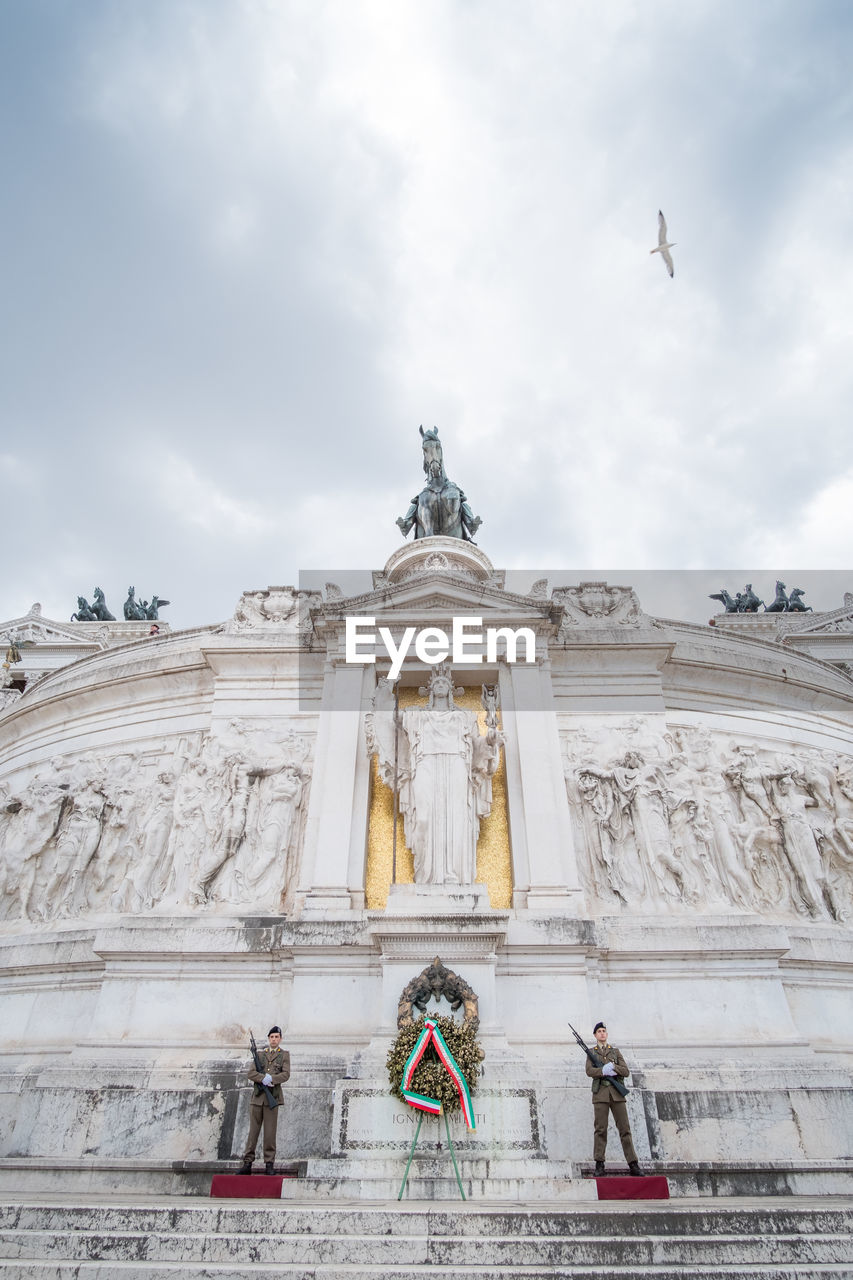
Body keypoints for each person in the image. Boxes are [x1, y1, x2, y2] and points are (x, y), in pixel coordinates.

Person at [585, 1020, 642, 1176]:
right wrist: (603, 1071)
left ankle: (633, 1163)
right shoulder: (592, 1052)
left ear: (606, 1034)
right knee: (600, 1129)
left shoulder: (615, 1052)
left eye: (604, 1031)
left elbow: (625, 1071)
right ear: (595, 1035)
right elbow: (589, 1071)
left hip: (617, 1094)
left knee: (625, 1129)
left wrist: (613, 1068)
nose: (602, 1033)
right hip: (601, 1094)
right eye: (599, 1032)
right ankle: (599, 1163)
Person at [239, 1026, 290, 1175]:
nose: (274, 1039)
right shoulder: (260, 1055)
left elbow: (286, 1074)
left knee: (269, 1133)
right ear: (269, 1039)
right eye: (272, 1037)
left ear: (280, 1039)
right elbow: (251, 1073)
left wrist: (272, 1079)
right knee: (253, 1132)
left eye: (276, 1037)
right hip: (257, 1098)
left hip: (271, 1098)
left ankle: (269, 1163)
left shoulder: (284, 1055)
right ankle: (247, 1162)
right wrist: (263, 1078)